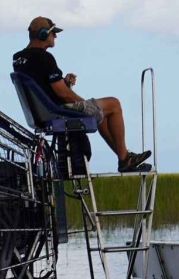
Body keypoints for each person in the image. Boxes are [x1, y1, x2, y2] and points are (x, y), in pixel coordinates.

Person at [13, 17, 150, 173]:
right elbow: (63, 94)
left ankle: (124, 158)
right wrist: (85, 103)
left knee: (103, 112)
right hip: (58, 109)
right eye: (52, 34)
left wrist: (64, 81)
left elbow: (44, 86)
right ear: (43, 34)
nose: (55, 37)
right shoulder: (44, 57)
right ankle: (124, 159)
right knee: (113, 104)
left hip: (45, 110)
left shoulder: (18, 59)